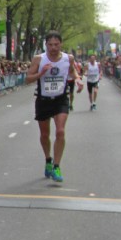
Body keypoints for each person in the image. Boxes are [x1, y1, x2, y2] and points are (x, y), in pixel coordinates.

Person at [25, 31, 79, 183]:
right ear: (46, 45)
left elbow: (72, 71)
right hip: (43, 99)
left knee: (60, 131)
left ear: (61, 44)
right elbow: (28, 79)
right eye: (50, 45)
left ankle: (56, 166)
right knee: (44, 134)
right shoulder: (39, 59)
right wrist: (41, 73)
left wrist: (78, 79)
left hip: (60, 99)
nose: (53, 48)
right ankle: (48, 159)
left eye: (56, 44)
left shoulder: (68, 58)